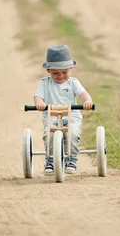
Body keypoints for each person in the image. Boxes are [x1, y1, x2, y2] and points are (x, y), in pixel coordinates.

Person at [34, 45, 94, 175]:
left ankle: (71, 160)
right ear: (48, 70)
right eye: (55, 73)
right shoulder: (45, 83)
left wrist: (87, 101)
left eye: (64, 72)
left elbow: (83, 93)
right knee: (48, 135)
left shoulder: (73, 82)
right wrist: (39, 103)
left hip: (71, 115)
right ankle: (50, 162)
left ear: (70, 69)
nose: (60, 76)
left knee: (72, 133)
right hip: (52, 116)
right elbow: (38, 96)